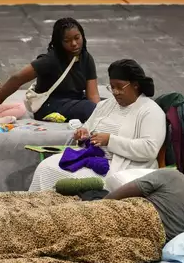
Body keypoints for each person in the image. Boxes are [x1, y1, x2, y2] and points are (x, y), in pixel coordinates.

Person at [28, 59, 166, 192]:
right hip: (91, 158)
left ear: (135, 85)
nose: (115, 92)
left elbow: (149, 150)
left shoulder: (151, 111)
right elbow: (87, 128)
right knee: (45, 167)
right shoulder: (105, 105)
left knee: (70, 180)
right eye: (112, 87)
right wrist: (82, 134)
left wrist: (109, 140)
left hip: (121, 168)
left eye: (120, 87)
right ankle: (39, 210)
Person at [0, 17, 100, 123]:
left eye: (77, 38)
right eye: (67, 41)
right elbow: (17, 78)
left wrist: (100, 112)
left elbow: (93, 94)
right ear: (60, 42)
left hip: (75, 100)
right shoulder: (50, 60)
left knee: (109, 104)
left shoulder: (86, 58)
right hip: (49, 105)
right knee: (90, 108)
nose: (74, 43)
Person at [105, 160, 184, 241]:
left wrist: (93, 206)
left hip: (113, 222)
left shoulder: (173, 176)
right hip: (136, 246)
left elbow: (113, 197)